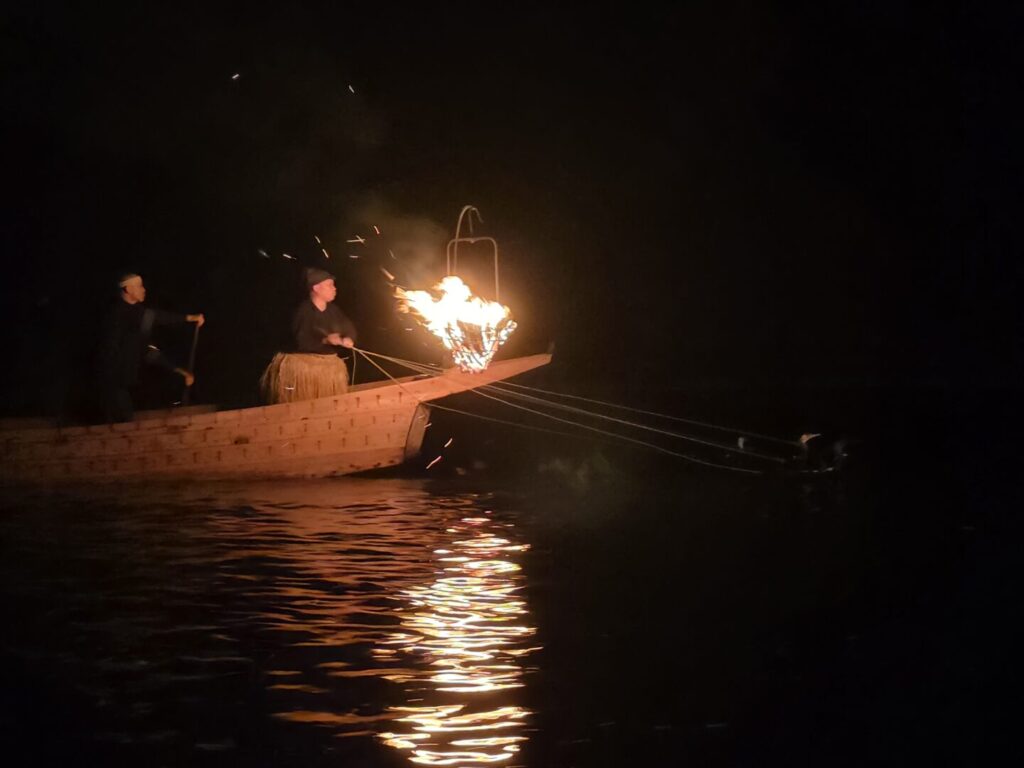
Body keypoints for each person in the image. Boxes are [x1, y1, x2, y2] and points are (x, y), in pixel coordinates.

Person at [98, 272, 204, 423]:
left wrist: (182, 372)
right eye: (139, 286)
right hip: (114, 384)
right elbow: (157, 318)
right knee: (122, 417)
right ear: (128, 289)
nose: (144, 289)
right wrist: (189, 318)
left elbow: (150, 352)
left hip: (125, 383)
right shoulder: (117, 315)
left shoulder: (138, 317)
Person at [260, 268, 358, 404]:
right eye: (330, 285)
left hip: (328, 367)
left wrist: (348, 338)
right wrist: (325, 340)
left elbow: (348, 327)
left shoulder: (334, 311)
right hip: (305, 370)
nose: (334, 288)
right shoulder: (303, 311)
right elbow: (301, 341)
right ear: (317, 288)